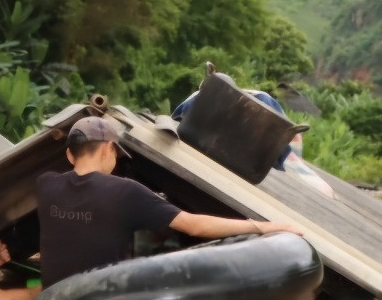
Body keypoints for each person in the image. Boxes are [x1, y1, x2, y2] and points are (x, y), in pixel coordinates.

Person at [34, 116, 304, 287]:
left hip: (53, 298)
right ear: (108, 149)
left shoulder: (46, 185)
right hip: (95, 299)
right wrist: (261, 227)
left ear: (70, 155)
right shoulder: (125, 192)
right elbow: (194, 226)